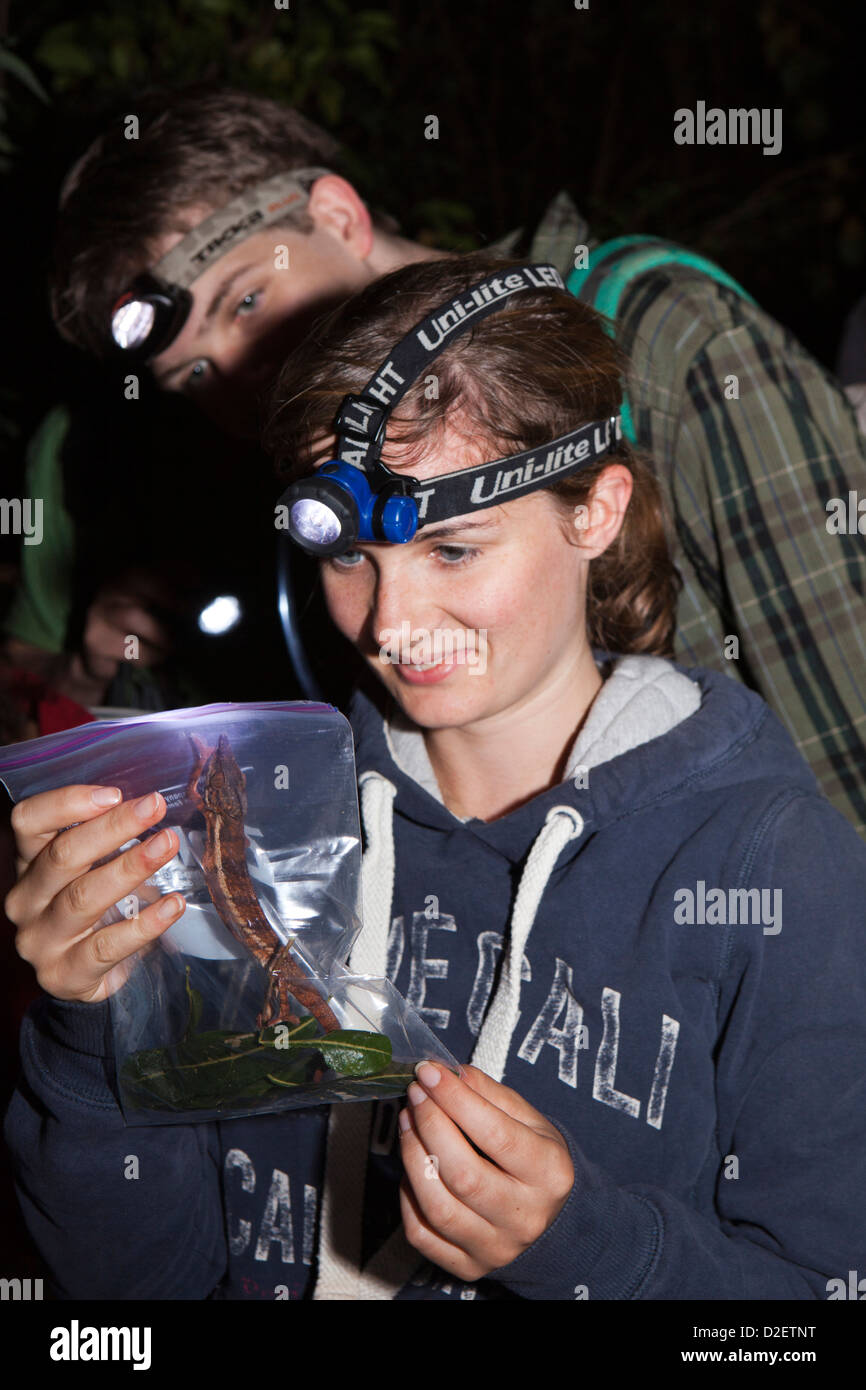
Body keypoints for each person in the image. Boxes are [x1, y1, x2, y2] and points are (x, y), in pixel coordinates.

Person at [5, 253, 866, 1300]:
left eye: (451, 550)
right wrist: (86, 1024)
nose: (388, 623)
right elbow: (143, 1284)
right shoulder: (253, 831)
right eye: (346, 558)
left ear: (593, 511)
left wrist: (582, 1245)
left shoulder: (774, 863)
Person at [4, 85, 866, 832]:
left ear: (337, 216)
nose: (244, 379)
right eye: (194, 372)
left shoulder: (661, 334)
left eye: (249, 301)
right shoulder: (318, 502)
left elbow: (844, 732)